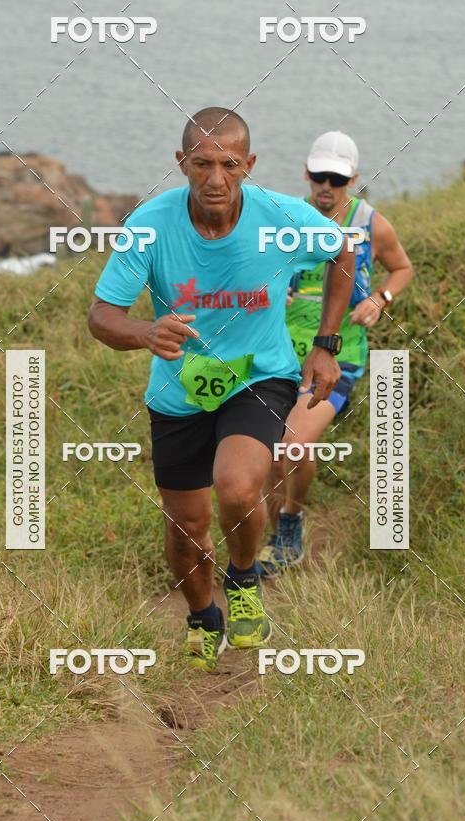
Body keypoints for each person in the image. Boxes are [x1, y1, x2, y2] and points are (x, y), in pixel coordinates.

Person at [88, 109, 355, 671]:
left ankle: (245, 577)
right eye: (203, 163)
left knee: (236, 486)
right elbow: (101, 315)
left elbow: (343, 251)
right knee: (186, 528)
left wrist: (326, 343)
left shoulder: (282, 217)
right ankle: (203, 614)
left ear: (249, 165)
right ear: (181, 162)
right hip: (179, 392)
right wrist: (143, 331)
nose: (215, 178)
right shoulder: (151, 225)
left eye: (229, 164)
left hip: (260, 376)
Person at [259, 131, 413, 576]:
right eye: (320, 176)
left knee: (291, 444)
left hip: (338, 354)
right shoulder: (286, 220)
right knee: (273, 448)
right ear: (307, 174)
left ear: (354, 179)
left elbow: (402, 268)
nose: (327, 187)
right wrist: (273, 292)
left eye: (338, 179)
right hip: (279, 351)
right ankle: (275, 538)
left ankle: (290, 519)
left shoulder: (370, 222)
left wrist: (379, 299)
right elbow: (261, 269)